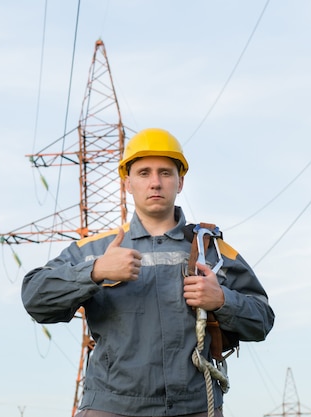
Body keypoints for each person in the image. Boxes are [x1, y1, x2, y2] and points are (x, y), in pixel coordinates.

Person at [21, 128, 275, 417]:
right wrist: (95, 271)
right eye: (144, 173)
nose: (155, 183)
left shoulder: (211, 251)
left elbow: (263, 320)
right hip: (112, 407)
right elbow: (35, 299)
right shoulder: (94, 250)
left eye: (165, 173)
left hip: (194, 407)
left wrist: (222, 301)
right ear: (127, 182)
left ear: (180, 182)